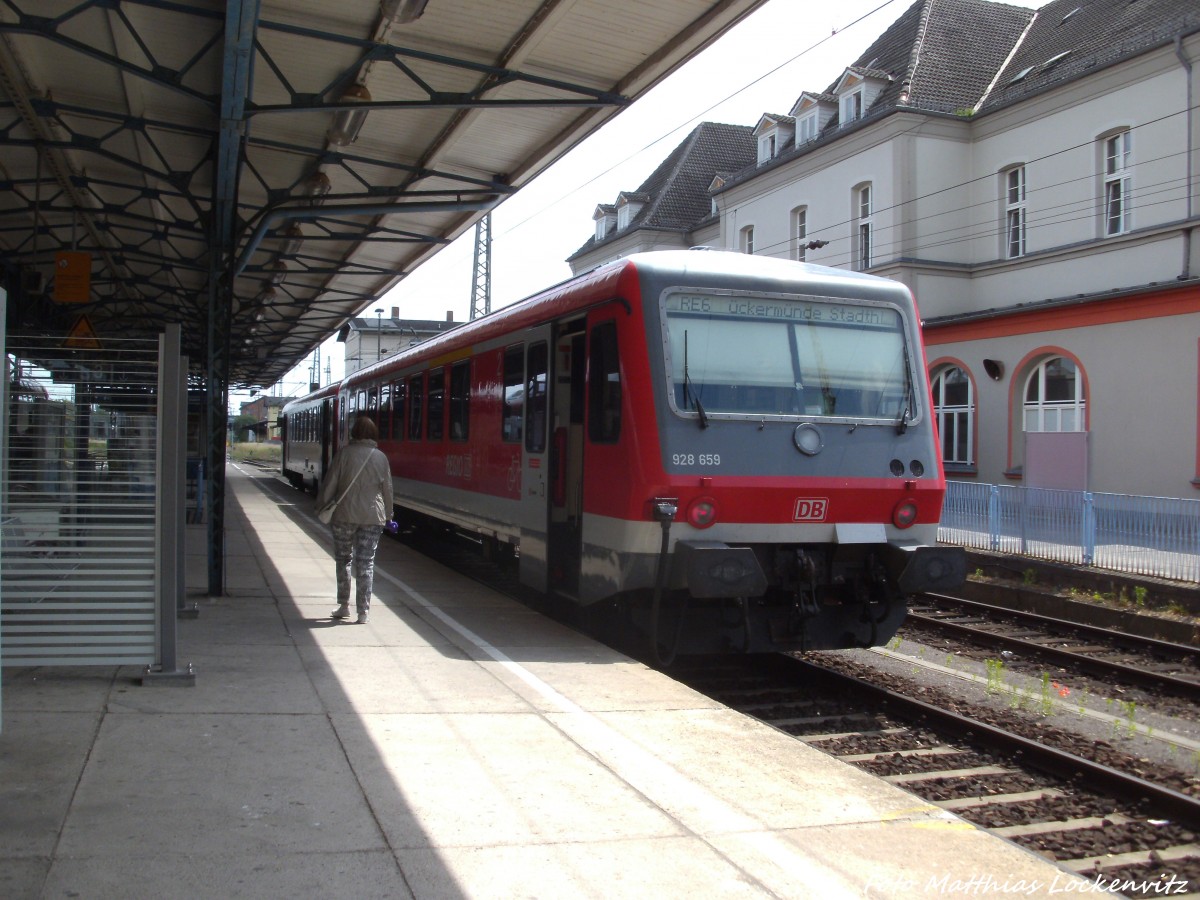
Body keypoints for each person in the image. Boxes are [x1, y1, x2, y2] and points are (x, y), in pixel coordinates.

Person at [315, 415, 394, 624]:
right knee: (366, 563)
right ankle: (363, 612)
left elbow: (330, 483)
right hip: (372, 517)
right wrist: (389, 515)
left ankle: (343, 606)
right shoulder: (381, 457)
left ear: (354, 433)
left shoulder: (343, 454)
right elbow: (387, 490)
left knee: (344, 560)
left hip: (344, 515)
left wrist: (322, 505)